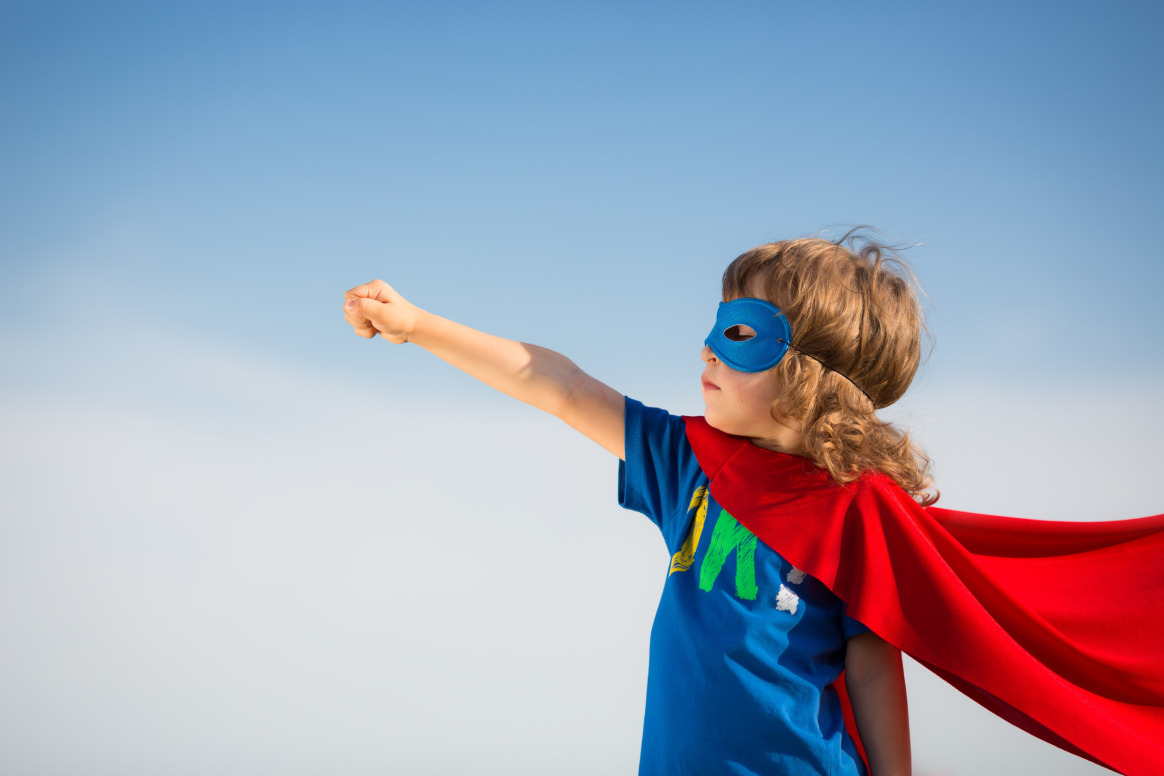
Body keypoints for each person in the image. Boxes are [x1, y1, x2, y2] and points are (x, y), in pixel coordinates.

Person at [342, 232, 1164, 776]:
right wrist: (418, 325)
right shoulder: (686, 463)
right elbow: (556, 386)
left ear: (805, 372)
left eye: (739, 334)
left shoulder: (856, 512)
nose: (706, 346)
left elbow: (874, 670)